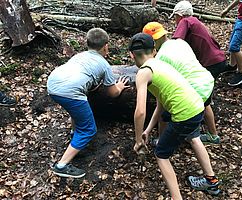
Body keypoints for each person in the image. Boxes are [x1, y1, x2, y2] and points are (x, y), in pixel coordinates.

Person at [130, 33, 220, 199]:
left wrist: (137, 141)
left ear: (132, 55)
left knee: (161, 154)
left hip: (184, 114)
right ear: (154, 51)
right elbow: (161, 104)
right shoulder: (160, 64)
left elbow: (140, 111)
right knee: (194, 138)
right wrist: (148, 130)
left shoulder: (143, 72)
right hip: (197, 106)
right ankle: (211, 181)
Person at [47, 28, 129, 178]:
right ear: (106, 46)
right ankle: (61, 165)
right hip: (69, 92)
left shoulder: (80, 56)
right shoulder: (104, 64)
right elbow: (113, 93)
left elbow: (85, 76)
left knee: (76, 111)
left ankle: (74, 134)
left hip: (52, 84)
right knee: (89, 129)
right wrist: (120, 86)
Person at [143, 22, 220, 144]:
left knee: (164, 113)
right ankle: (213, 136)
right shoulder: (180, 42)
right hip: (206, 81)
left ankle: (161, 140)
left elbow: (165, 86)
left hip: (193, 90)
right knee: (206, 104)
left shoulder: (160, 58)